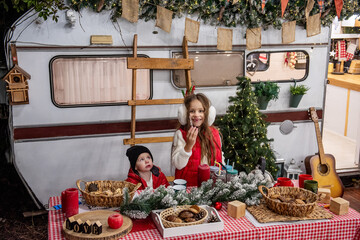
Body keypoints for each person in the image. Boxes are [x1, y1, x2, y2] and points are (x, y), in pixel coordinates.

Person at [171, 93, 224, 186]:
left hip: (212, 186)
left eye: (201, 111)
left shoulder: (215, 133)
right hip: (190, 187)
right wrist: (188, 146)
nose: (196, 115)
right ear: (185, 113)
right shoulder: (181, 134)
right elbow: (178, 164)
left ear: (208, 113)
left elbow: (220, 158)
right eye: (192, 111)